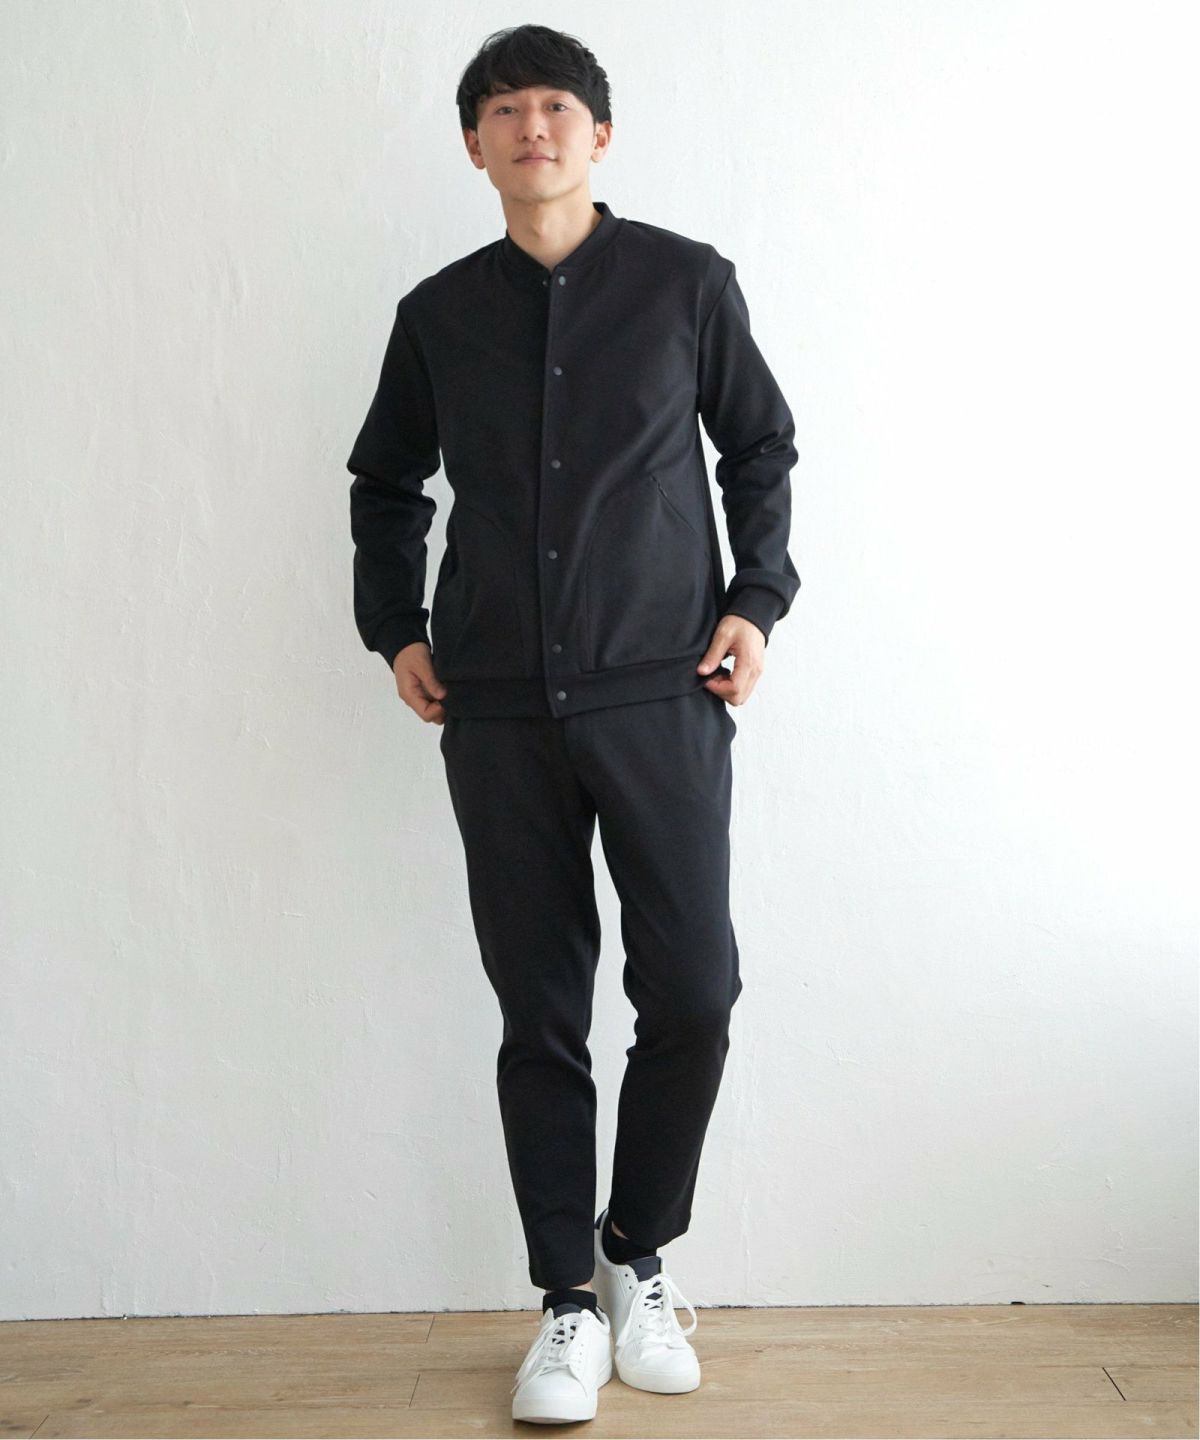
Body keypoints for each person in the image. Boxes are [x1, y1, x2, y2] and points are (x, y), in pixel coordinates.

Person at [346, 22, 800, 1426]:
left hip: (663, 693)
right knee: (539, 1012)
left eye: (555, 105)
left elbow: (761, 443)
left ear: (599, 134)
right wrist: (397, 626)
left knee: (696, 993)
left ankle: (633, 1254)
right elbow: (386, 482)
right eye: (503, 109)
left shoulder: (685, 284)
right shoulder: (438, 314)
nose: (530, 126)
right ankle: (563, 1304)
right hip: (495, 711)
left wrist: (757, 600)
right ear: (473, 144)